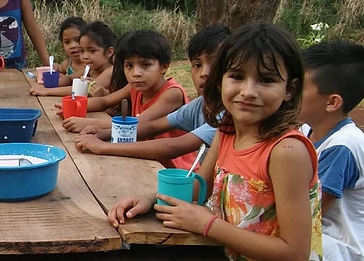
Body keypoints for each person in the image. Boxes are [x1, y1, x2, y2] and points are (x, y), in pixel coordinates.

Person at [108, 23, 322, 261]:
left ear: (290, 89)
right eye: (237, 76)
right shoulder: (227, 131)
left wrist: (207, 224)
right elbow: (200, 189)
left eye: (266, 80)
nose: (248, 91)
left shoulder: (286, 151)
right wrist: (152, 199)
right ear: (221, 80)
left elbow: (295, 253)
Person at [75, 25, 231, 165]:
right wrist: (105, 133)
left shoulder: (229, 117)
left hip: (180, 174)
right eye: (197, 65)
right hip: (162, 168)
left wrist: (105, 146)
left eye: (215, 64)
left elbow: (173, 146)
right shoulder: (200, 104)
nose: (204, 73)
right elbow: (153, 126)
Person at [299, 40, 364, 261]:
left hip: (335, 258)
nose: (287, 93)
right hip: (313, 242)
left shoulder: (343, 146)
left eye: (298, 87)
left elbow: (308, 215)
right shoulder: (307, 130)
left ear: (332, 102)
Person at [59, 30, 194, 168]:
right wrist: (74, 106)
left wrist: (88, 122)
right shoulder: (134, 87)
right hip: (141, 157)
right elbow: (104, 101)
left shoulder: (172, 93)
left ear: (164, 67)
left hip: (173, 168)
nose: (136, 73)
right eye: (129, 65)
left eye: (146, 65)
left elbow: (138, 124)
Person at [30, 21, 115, 97]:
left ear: (109, 52)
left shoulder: (110, 71)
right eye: (82, 51)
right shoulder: (91, 69)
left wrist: (47, 91)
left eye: (92, 51)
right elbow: (70, 79)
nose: (85, 56)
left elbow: (82, 90)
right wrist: (47, 83)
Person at [56, 16, 87, 85]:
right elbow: (57, 69)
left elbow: (69, 79)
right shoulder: (66, 65)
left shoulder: (90, 65)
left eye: (77, 40)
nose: (72, 46)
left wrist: (65, 78)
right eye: (67, 42)